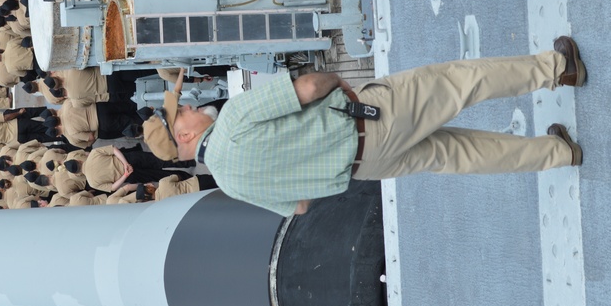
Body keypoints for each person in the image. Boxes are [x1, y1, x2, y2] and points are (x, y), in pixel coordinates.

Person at [168, 36, 587, 216]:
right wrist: (340, 83)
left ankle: (559, 153)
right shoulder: (234, 119)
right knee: (461, 83)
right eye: (181, 111)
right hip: (366, 119)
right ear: (185, 135)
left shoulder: (230, 185)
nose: (188, 104)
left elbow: (299, 206)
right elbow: (310, 86)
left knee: (462, 155)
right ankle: (559, 68)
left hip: (365, 167)